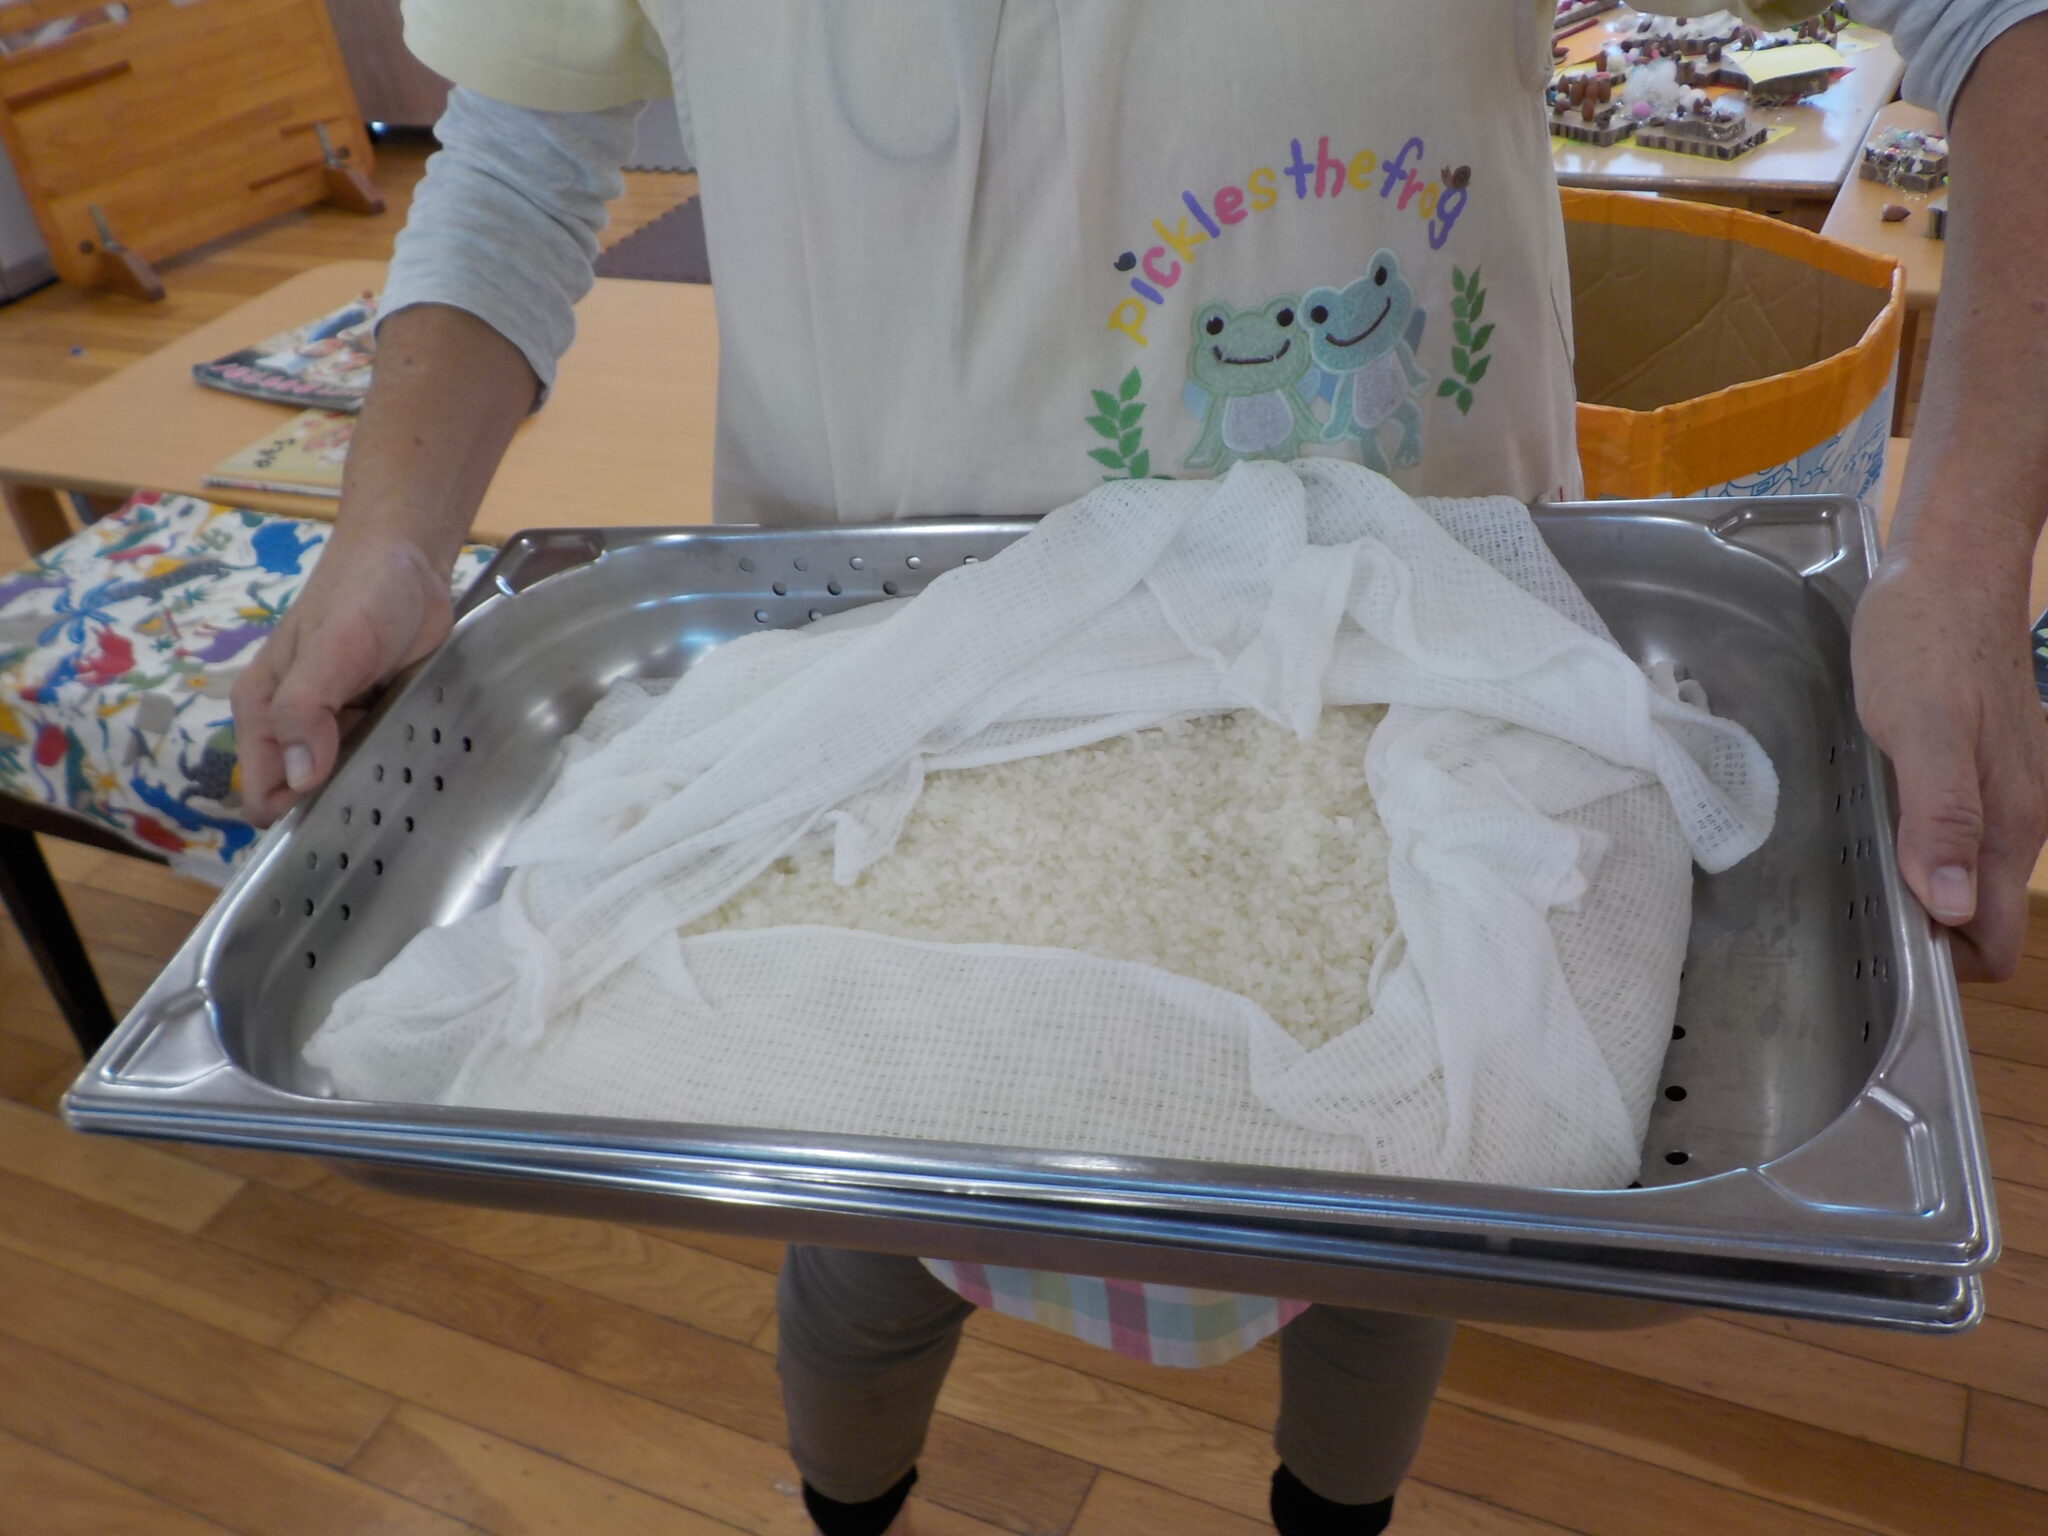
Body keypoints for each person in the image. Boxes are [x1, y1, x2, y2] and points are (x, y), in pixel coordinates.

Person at [231, 4, 2048, 1532]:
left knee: (1400, 1217)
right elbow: (525, 151)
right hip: (870, 719)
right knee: (865, 1245)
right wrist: (391, 536)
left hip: (1411, 681)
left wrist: (1960, 555)